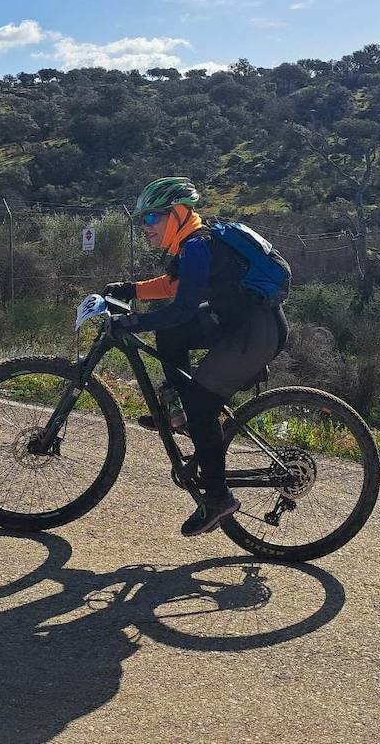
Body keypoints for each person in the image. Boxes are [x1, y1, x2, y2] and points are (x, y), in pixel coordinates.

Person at [104, 177, 289, 537]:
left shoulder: (198, 246)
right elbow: (173, 286)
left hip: (254, 333)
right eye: (142, 220)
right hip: (234, 324)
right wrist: (129, 290)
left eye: (151, 219)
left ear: (177, 214)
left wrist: (133, 321)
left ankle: (218, 498)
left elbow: (183, 307)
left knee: (202, 402)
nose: (145, 228)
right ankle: (180, 409)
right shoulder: (194, 246)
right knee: (170, 333)